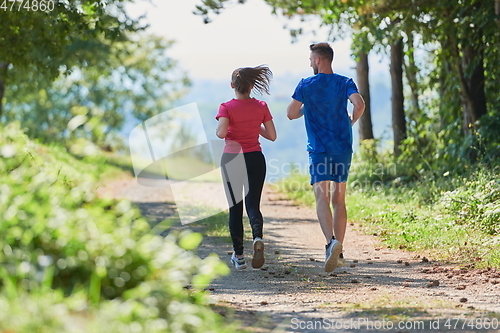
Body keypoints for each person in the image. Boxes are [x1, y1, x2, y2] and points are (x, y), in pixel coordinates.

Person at [287, 42, 365, 273]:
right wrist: (351, 120)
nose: (310, 62)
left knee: (322, 197)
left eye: (311, 58)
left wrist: (306, 108)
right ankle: (338, 250)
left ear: (319, 60)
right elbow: (359, 104)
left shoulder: (306, 84)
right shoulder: (344, 82)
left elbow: (291, 114)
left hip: (319, 149)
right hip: (342, 147)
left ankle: (330, 243)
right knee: (339, 199)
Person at [216, 65, 277, 270]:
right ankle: (257, 237)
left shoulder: (225, 107)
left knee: (235, 208)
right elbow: (271, 136)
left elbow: (221, 133)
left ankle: (239, 257)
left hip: (232, 158)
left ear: (233, 85)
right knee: (253, 205)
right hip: (255, 158)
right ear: (252, 85)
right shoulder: (261, 106)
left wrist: (225, 126)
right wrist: (253, 124)